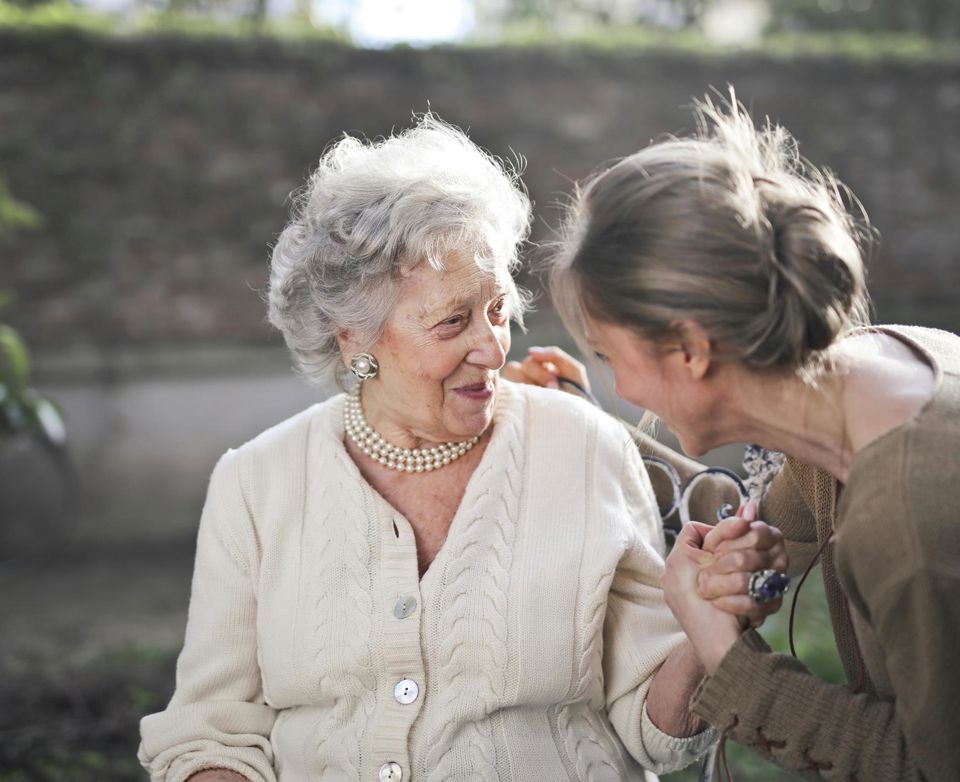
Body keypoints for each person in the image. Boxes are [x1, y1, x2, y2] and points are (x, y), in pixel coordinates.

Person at [137, 115, 786, 782]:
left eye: (498, 311)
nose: (492, 347)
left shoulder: (582, 448)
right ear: (353, 339)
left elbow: (660, 735)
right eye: (453, 321)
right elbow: (210, 732)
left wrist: (705, 626)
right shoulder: (256, 483)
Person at [528, 93, 960, 781]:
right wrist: (573, 414)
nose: (626, 391)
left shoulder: (909, 521)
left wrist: (731, 664)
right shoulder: (882, 368)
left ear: (692, 351)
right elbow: (757, 518)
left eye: (611, 359)